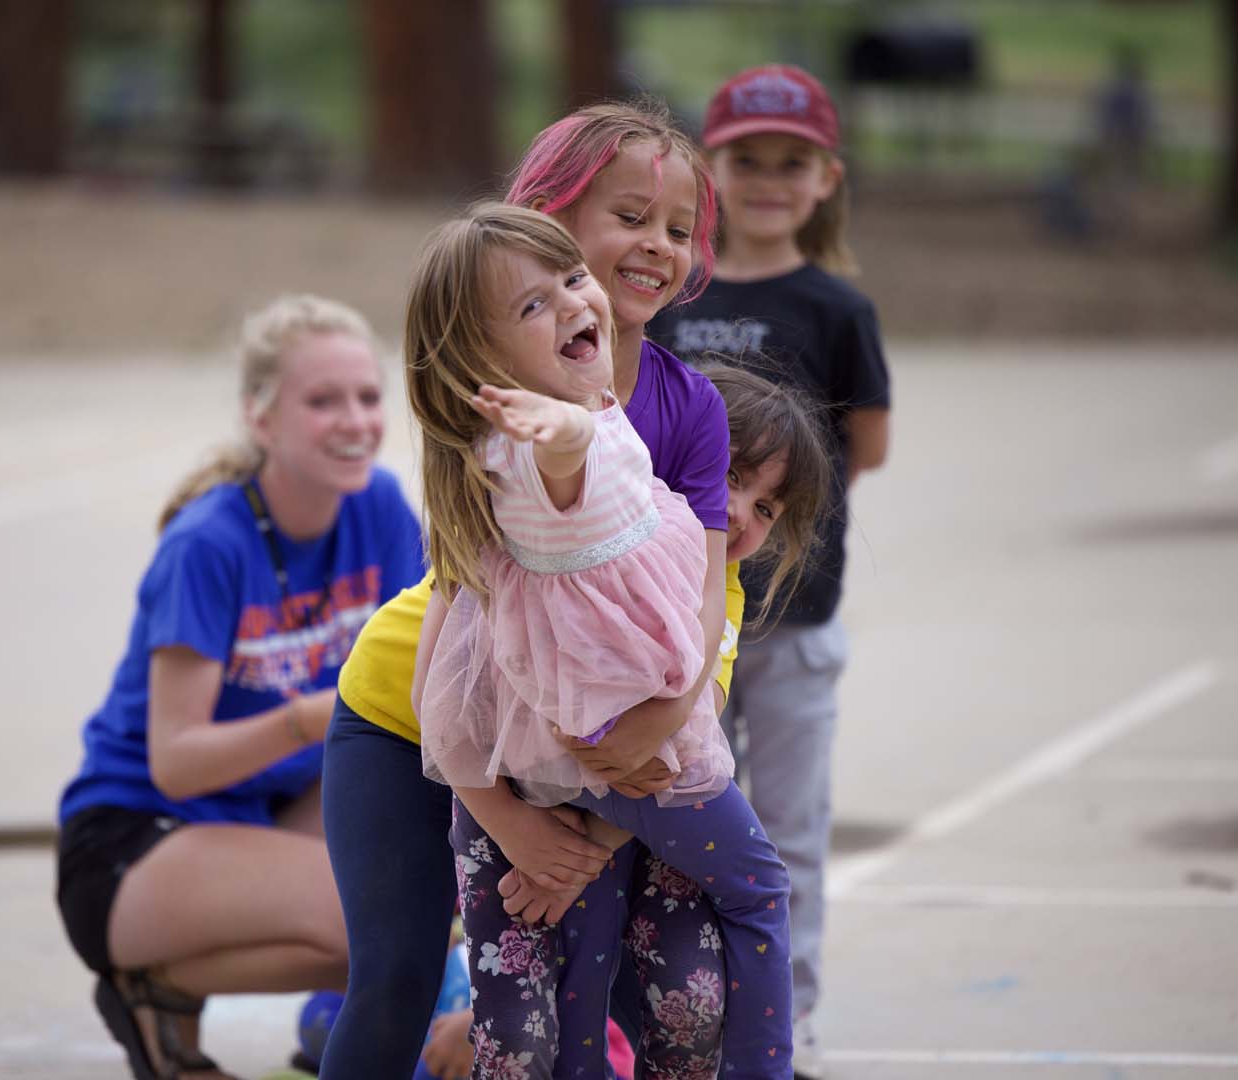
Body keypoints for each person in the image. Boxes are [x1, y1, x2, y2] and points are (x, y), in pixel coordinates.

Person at [318, 101, 746, 1080]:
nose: (655, 245)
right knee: (390, 979)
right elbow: (470, 620)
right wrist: (501, 811)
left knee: (660, 992)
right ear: (549, 219)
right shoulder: (494, 389)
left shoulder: (686, 407)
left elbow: (706, 596)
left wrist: (647, 757)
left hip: (602, 738)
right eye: (627, 216)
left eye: (677, 229)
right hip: (415, 717)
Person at [407, 205, 833, 1079]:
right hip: (616, 753)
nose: (570, 303)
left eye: (569, 282)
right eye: (532, 306)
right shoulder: (549, 450)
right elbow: (564, 460)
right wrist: (565, 428)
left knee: (585, 976)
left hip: (569, 755)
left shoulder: (560, 443)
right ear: (480, 362)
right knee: (757, 893)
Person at [54, 295, 425, 1080]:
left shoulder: (383, 509)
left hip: (265, 814)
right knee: (382, 924)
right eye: (322, 401)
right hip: (135, 837)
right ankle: (149, 986)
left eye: (367, 396)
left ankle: (196, 998)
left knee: (424, 880)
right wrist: (302, 718)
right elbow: (176, 762)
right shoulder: (207, 544)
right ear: (261, 419)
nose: (355, 420)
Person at [648, 65, 892, 1080]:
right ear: (710, 170)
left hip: (791, 620)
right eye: (745, 160)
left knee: (785, 839)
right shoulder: (668, 294)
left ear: (824, 177)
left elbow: (862, 448)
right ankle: (682, 1036)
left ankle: (783, 1040)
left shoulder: (835, 305)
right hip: (675, 619)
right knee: (681, 838)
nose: (765, 180)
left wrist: (759, 496)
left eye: (789, 163)